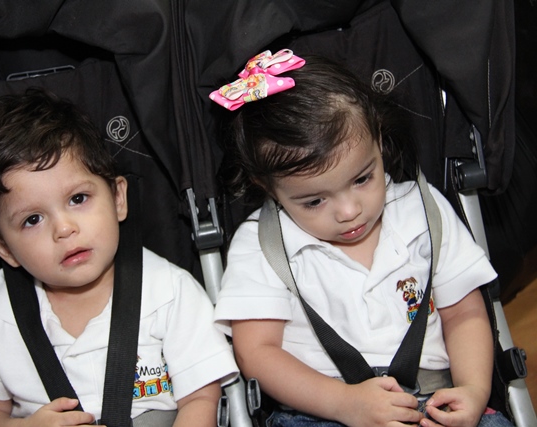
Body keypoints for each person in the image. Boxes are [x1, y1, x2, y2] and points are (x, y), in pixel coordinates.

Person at [211, 51, 513, 427]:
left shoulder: (423, 210)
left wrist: (473, 389)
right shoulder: (263, 243)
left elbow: (464, 313)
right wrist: (345, 404)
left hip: (435, 400)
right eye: (315, 201)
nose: (349, 210)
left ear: (379, 141)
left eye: (362, 179)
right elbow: (257, 351)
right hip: (322, 411)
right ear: (267, 187)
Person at [0, 88, 239, 427]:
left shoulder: (169, 292)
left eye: (78, 199)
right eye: (33, 219)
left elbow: (200, 399)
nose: (64, 228)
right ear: (4, 249)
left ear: (118, 198)